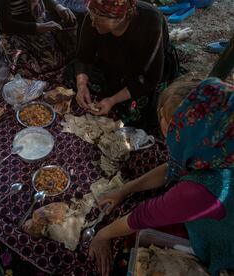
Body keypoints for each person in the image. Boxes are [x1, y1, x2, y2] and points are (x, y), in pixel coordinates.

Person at [89, 76, 234, 276]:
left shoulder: (203, 190)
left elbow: (142, 217)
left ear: (187, 132)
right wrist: (124, 190)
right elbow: (171, 168)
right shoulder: (217, 148)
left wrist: (102, 236)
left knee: (130, 247)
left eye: (165, 119)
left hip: (214, 241)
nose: (161, 121)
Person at [75, 0, 173, 129]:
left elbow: (150, 77)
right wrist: (81, 85)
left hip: (142, 72)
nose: (93, 23)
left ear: (120, 18)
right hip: (111, 63)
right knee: (77, 79)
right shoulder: (94, 15)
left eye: (98, 19)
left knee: (136, 115)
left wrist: (112, 100)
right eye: (92, 16)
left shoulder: (150, 22)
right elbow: (84, 56)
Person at [0, 0, 77, 83]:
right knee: (35, 69)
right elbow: (5, 24)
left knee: (60, 60)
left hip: (38, 20)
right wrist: (37, 28)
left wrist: (58, 6)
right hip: (16, 29)